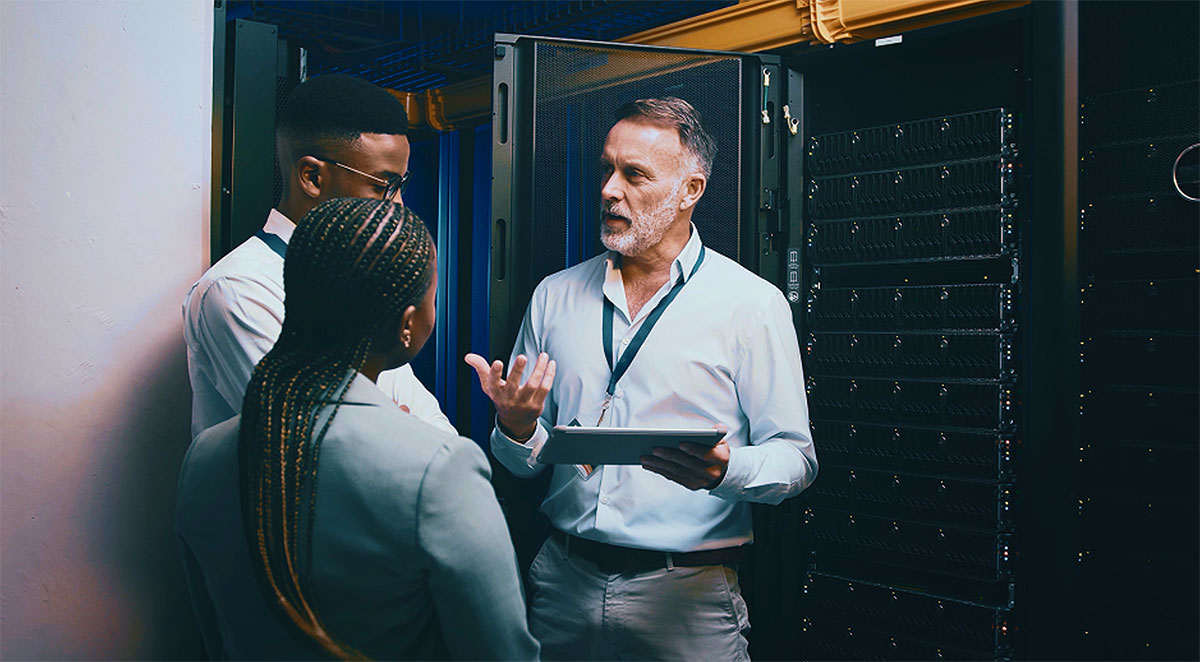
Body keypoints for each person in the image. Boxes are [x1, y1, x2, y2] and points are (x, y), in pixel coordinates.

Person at [466, 97, 818, 661]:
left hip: (687, 598)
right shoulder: (554, 297)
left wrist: (727, 470)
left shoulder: (750, 305)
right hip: (562, 582)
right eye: (606, 169)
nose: (609, 189)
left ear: (690, 191)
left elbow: (796, 460)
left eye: (634, 175)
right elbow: (524, 463)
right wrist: (514, 427)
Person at [177, 198, 539, 660]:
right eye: (432, 296)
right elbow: (502, 654)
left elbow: (213, 636)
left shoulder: (204, 457)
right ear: (409, 323)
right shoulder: (439, 468)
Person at [183, 73, 453, 439]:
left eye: (400, 186)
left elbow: (439, 436)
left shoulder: (362, 282)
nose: (398, 205)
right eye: (383, 185)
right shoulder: (238, 289)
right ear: (311, 176)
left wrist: (391, 430)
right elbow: (325, 443)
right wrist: (398, 429)